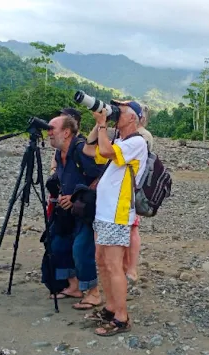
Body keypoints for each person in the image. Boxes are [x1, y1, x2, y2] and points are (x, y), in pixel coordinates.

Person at [82, 100, 148, 336]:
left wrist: (102, 127)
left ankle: (122, 318)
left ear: (133, 118)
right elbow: (89, 150)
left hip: (117, 213)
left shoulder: (138, 142)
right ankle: (111, 308)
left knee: (113, 265)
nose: (117, 114)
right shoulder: (120, 140)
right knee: (101, 260)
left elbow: (107, 151)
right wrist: (99, 121)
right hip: (104, 212)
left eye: (122, 112)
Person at [44, 109, 103, 310]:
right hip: (66, 210)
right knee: (58, 244)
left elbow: (102, 173)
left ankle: (93, 293)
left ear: (67, 132)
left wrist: (78, 195)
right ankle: (74, 286)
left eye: (52, 129)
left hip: (86, 208)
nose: (48, 132)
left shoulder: (81, 149)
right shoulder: (58, 153)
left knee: (81, 248)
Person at [124, 104, 154, 283]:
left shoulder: (143, 136)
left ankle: (132, 268)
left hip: (134, 188)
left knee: (133, 228)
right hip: (129, 188)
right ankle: (127, 266)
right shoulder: (141, 134)